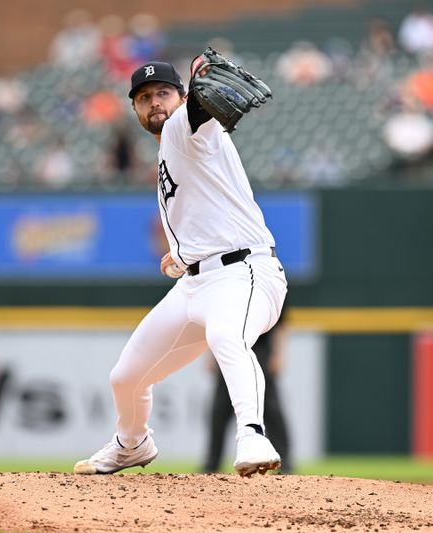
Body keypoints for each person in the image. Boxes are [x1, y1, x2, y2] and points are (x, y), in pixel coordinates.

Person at [73, 57, 287, 477]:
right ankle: (131, 443)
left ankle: (252, 434)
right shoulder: (171, 149)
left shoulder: (186, 126)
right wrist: (183, 253)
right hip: (195, 284)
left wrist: (199, 86)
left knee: (227, 335)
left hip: (244, 273)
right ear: (134, 110)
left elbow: (197, 114)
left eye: (163, 93)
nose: (154, 103)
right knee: (126, 377)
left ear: (183, 97)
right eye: (144, 98)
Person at [203, 305, 291, 473]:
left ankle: (286, 465)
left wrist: (279, 354)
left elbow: (282, 323)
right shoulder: (226, 282)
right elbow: (213, 321)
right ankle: (211, 465)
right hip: (229, 349)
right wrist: (210, 353)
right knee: (219, 411)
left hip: (260, 350)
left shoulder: (268, 280)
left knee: (272, 411)